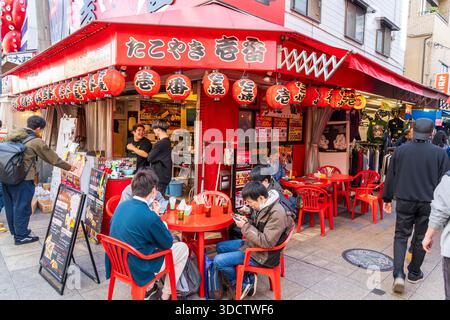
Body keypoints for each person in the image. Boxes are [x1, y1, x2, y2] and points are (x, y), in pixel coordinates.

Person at [383, 118, 450, 294]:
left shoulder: (400, 150)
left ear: (412, 131)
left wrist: (387, 198)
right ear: (431, 133)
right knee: (421, 238)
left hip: (404, 200)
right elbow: (444, 184)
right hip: (428, 203)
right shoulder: (440, 154)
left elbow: (391, 175)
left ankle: (398, 274)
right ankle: (414, 272)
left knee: (400, 236)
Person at [107, 169, 189, 300]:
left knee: (153, 242)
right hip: (138, 267)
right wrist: (156, 216)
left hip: (118, 263)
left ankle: (150, 288)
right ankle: (166, 294)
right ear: (153, 191)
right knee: (182, 248)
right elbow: (167, 243)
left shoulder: (121, 206)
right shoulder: (149, 216)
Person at [214, 181, 294, 300]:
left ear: (261, 198)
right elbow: (260, 226)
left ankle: (242, 284)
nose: (249, 205)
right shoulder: (265, 205)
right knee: (220, 247)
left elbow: (266, 242)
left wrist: (245, 227)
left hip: (263, 255)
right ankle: (246, 276)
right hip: (254, 244)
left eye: (250, 202)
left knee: (218, 261)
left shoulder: (277, 214)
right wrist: (247, 220)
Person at [3, 116, 75, 245]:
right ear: (38, 129)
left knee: (11, 206)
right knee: (22, 207)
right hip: (23, 179)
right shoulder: (36, 141)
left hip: (6, 177)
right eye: (41, 130)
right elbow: (53, 159)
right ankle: (21, 236)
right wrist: (69, 167)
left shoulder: (14, 135)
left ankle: (16, 231)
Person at [422, 171, 450, 300]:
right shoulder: (440, 154)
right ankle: (414, 272)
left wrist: (429, 235)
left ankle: (404, 273)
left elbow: (441, 209)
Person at [147, 120, 172, 194]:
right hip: (165, 174)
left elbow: (149, 158)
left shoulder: (160, 144)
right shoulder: (168, 141)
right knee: (160, 197)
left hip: (160, 176)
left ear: (158, 129)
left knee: (158, 199)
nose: (154, 131)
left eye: (154, 129)